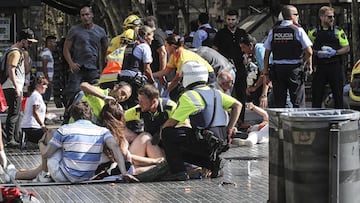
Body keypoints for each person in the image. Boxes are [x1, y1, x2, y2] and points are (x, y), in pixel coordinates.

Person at [6, 101, 137, 183]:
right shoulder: (103, 131)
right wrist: (124, 173)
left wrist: (41, 144)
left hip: (64, 176)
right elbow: (116, 149)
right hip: (87, 176)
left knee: (53, 142)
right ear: (90, 115)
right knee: (59, 144)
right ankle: (29, 174)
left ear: (74, 117)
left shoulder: (65, 129)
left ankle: (40, 175)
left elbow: (46, 154)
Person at [160, 61, 242, 181]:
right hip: (220, 142)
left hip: (204, 141)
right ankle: (212, 164)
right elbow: (237, 105)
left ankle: (178, 172)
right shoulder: (216, 92)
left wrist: (160, 134)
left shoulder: (189, 96)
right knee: (184, 136)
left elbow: (171, 123)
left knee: (167, 133)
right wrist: (229, 129)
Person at [263, 5, 313, 108]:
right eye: (296, 14)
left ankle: (281, 123)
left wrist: (266, 71)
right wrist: (306, 63)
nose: (298, 17)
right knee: (297, 102)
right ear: (292, 16)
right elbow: (309, 51)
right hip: (294, 69)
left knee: (279, 103)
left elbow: (266, 53)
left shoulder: (274, 30)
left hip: (278, 70)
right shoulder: (297, 30)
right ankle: (298, 123)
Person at [62, 5, 108, 108]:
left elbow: (106, 50)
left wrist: (104, 68)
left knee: (96, 91)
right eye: (82, 15)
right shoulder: (74, 30)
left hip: (93, 69)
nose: (85, 17)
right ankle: (68, 114)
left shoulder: (100, 31)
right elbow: (66, 49)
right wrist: (71, 64)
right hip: (78, 68)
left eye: (87, 14)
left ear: (92, 15)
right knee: (72, 92)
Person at [308, 6, 350, 108]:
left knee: (338, 94)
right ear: (321, 17)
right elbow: (307, 48)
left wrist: (335, 52)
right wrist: (317, 53)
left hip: (335, 66)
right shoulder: (313, 32)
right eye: (329, 17)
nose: (332, 19)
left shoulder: (338, 31)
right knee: (317, 94)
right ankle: (315, 118)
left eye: (333, 17)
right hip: (320, 67)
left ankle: (339, 118)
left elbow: (347, 48)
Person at [3, 28, 38, 148]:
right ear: (22, 40)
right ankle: (10, 139)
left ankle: (13, 137)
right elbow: (11, 69)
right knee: (13, 113)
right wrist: (17, 87)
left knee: (15, 112)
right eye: (29, 42)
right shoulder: (15, 52)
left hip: (13, 85)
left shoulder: (17, 52)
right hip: (12, 86)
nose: (30, 45)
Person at [213, 9, 248, 128]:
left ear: (237, 20)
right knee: (226, 94)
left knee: (241, 94)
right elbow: (215, 49)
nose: (231, 22)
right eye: (228, 19)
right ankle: (227, 121)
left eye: (233, 19)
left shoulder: (242, 33)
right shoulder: (221, 33)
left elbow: (248, 48)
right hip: (226, 69)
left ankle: (241, 120)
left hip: (240, 68)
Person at [153, 36, 215, 101]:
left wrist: (167, 91)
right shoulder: (174, 55)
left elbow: (176, 79)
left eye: (166, 45)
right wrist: (151, 75)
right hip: (195, 74)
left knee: (203, 97)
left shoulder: (182, 57)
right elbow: (166, 71)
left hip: (206, 74)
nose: (165, 48)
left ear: (173, 46)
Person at [119, 25, 156, 108]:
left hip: (122, 77)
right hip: (135, 79)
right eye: (151, 36)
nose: (152, 39)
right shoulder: (144, 46)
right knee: (136, 105)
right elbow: (147, 69)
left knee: (124, 104)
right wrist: (152, 82)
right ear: (146, 36)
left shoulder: (130, 45)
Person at [240, 34, 272, 108]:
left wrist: (264, 95)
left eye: (243, 47)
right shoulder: (257, 51)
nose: (242, 50)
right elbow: (262, 73)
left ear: (250, 45)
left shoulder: (260, 51)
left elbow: (266, 74)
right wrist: (255, 87)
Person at [143, 16, 168, 95]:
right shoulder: (162, 33)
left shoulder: (156, 36)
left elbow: (163, 53)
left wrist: (162, 74)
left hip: (156, 73)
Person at [21, 76, 49, 144]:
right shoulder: (36, 96)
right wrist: (42, 125)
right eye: (44, 84)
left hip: (28, 126)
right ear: (37, 85)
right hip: (32, 127)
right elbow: (35, 112)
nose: (46, 87)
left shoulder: (34, 95)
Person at [40, 35, 57, 105]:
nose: (55, 44)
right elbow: (44, 66)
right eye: (53, 42)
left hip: (46, 79)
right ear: (48, 42)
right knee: (45, 98)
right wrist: (47, 80)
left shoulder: (48, 53)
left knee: (46, 98)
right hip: (45, 79)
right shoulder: (46, 53)